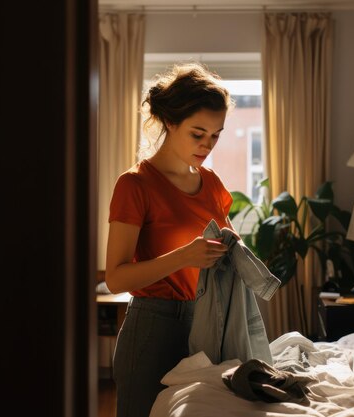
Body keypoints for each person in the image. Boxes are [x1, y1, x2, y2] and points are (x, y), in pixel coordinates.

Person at [105, 62, 235, 417]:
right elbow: (116, 277)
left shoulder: (212, 184)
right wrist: (183, 257)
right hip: (152, 330)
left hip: (205, 324)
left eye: (216, 135)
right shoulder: (135, 185)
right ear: (170, 123)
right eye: (198, 133)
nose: (207, 144)